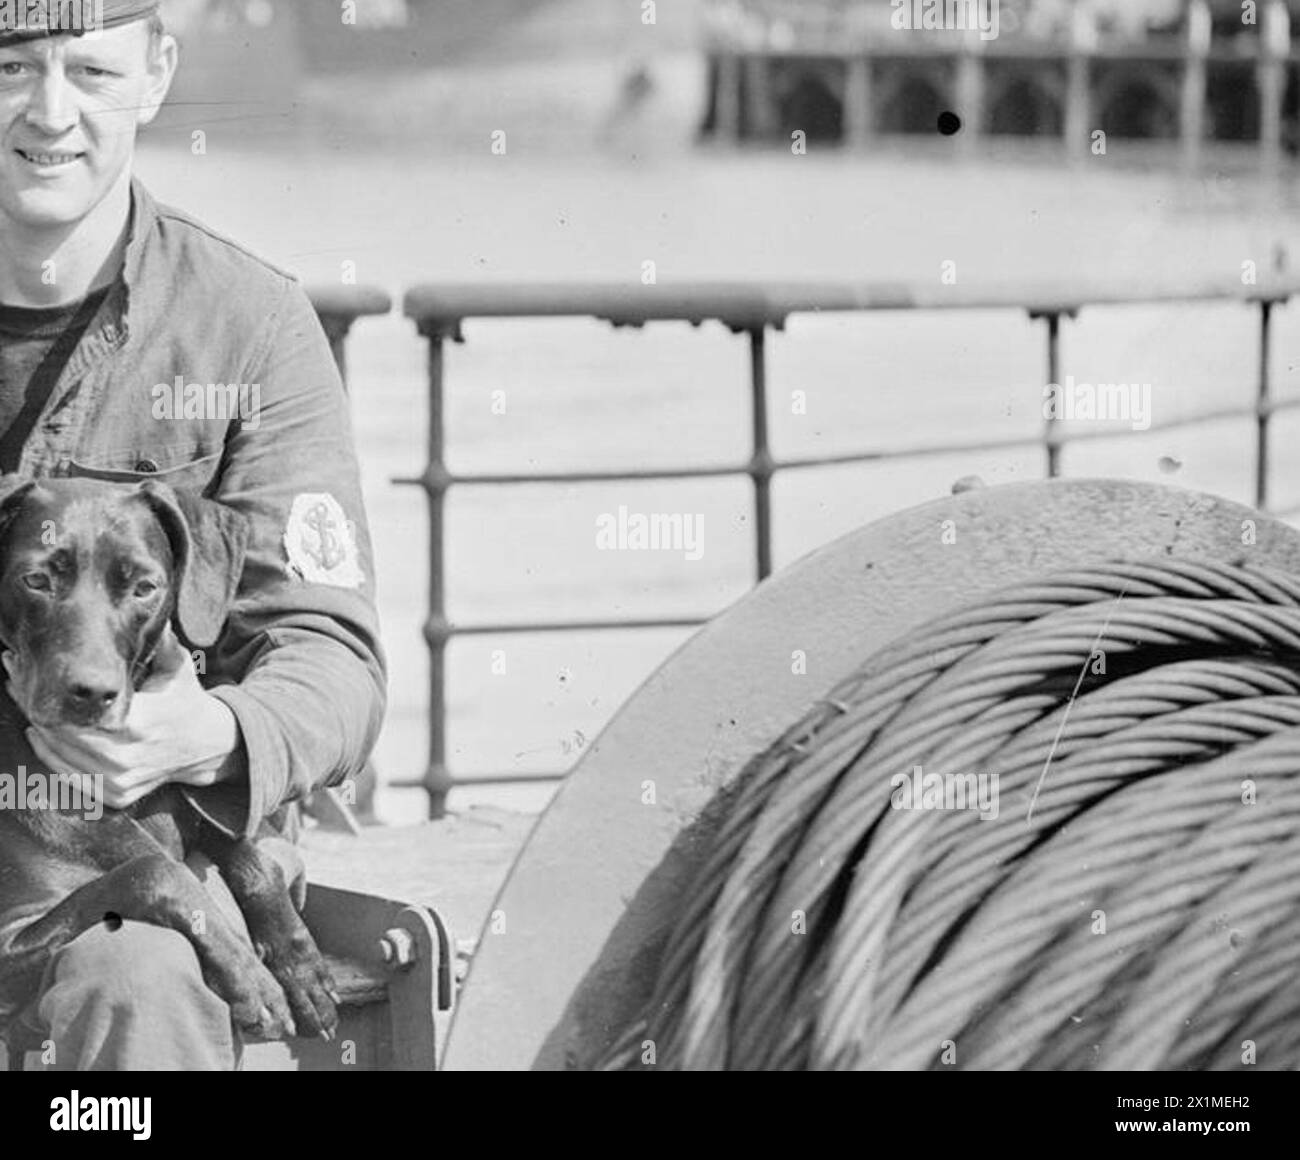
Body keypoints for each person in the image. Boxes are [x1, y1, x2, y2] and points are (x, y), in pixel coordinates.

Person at [0, 0, 386, 1069]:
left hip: (157, 842)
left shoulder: (247, 324)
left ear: (159, 70)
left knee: (142, 974)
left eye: (91, 70)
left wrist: (209, 733)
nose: (49, 110)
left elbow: (332, 658)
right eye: (11, 62)